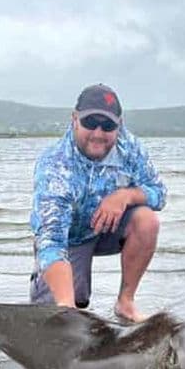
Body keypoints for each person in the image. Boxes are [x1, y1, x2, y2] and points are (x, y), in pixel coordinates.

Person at [30, 83, 166, 323]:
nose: (98, 133)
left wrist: (124, 196)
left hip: (109, 228)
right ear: (74, 119)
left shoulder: (129, 148)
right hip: (69, 239)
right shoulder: (55, 165)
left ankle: (126, 303)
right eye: (90, 123)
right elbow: (51, 241)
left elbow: (159, 193)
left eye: (108, 126)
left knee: (147, 220)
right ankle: (60, 296)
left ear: (120, 124)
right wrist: (67, 306)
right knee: (61, 313)